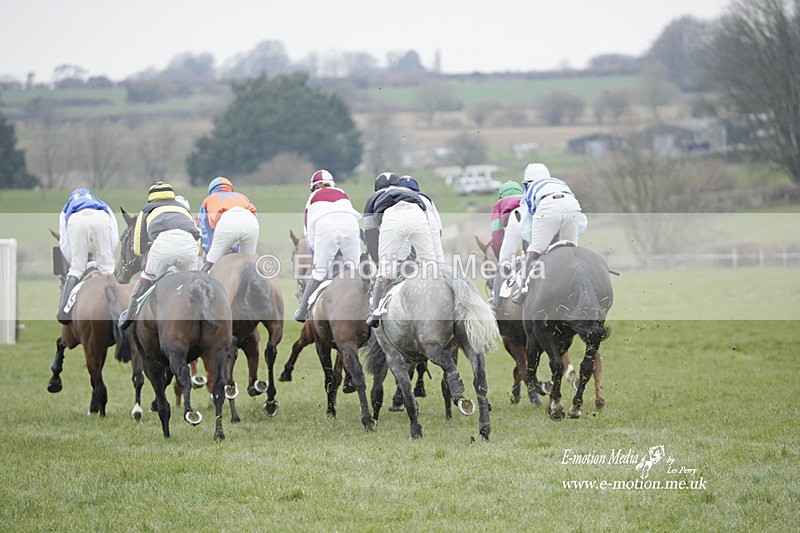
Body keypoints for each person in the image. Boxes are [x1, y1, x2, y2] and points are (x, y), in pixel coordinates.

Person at [119, 182, 201, 330]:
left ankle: (127, 317)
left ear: (151, 198)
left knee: (146, 279)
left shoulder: (147, 210)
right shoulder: (182, 208)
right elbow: (197, 235)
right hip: (189, 245)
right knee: (189, 285)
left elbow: (137, 246)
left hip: (163, 244)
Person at [363, 172, 436, 327]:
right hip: (418, 214)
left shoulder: (373, 198)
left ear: (377, 188)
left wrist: (378, 262)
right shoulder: (410, 192)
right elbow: (426, 227)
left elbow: (371, 237)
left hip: (392, 217)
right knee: (430, 267)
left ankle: (375, 312)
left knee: (385, 271)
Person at [512, 163, 587, 304]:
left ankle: (523, 290)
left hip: (547, 207)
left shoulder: (529, 192)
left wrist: (538, 245)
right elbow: (582, 222)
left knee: (535, 250)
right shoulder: (561, 183)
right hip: (573, 208)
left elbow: (526, 228)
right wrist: (574, 237)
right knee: (571, 252)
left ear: (526, 183)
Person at [294, 169, 362, 322]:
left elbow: (308, 233)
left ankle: (302, 311)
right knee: (356, 269)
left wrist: (318, 253)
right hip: (350, 224)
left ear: (313, 187)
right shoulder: (342, 192)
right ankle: (368, 306)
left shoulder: (312, 198)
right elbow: (348, 217)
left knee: (319, 271)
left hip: (325, 227)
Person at [56, 188, 119, 324]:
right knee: (108, 269)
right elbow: (114, 237)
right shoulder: (102, 204)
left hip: (75, 220)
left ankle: (63, 312)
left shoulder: (66, 208)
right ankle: (121, 309)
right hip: (101, 217)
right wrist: (106, 259)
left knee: (76, 269)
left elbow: (65, 244)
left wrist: (76, 261)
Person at [198, 176, 259, 272]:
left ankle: (199, 281)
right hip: (251, 222)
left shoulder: (208, 200)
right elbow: (255, 218)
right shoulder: (242, 197)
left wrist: (210, 251)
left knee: (210, 263)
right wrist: (238, 250)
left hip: (227, 222)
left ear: (211, 191)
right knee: (248, 264)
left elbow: (206, 230)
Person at [488, 180, 525, 313]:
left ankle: (496, 304)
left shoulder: (500, 205)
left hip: (514, 225)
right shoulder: (527, 198)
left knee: (503, 264)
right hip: (532, 226)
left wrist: (500, 257)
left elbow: (497, 237)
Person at [397, 176, 445, 263]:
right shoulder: (426, 198)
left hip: (406, 220)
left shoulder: (397, 198)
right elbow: (439, 229)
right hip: (430, 221)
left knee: (401, 261)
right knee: (438, 261)